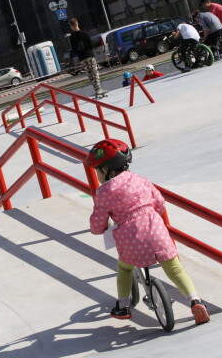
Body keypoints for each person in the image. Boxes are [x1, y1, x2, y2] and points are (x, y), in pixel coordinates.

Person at [84, 138, 211, 325]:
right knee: (174, 267)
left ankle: (123, 305)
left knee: (124, 268)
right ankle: (195, 301)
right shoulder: (140, 180)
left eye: (97, 170)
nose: (96, 174)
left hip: (130, 238)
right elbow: (159, 203)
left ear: (107, 169)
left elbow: (98, 221)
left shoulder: (104, 193)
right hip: (155, 229)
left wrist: (98, 229)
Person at [69, 18, 107, 98]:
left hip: (82, 57)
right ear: (77, 23)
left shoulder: (72, 37)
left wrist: (79, 53)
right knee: (94, 71)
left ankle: (96, 89)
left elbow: (74, 49)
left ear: (71, 26)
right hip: (89, 55)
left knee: (89, 73)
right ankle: (99, 89)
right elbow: (91, 44)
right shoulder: (84, 33)